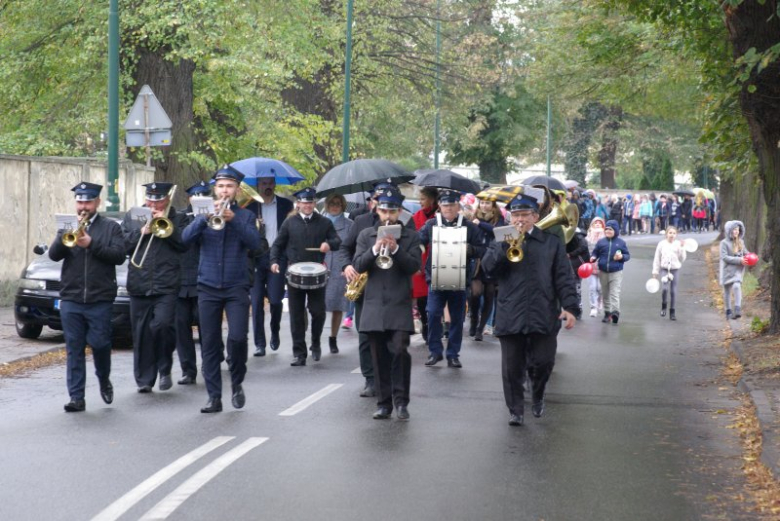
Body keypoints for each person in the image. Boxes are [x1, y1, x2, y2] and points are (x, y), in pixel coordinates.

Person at [481, 189, 578, 426]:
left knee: (544, 362)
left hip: (542, 312)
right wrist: (505, 247)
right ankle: (515, 410)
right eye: (515, 216)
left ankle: (537, 394)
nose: (520, 220)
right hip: (510, 312)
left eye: (524, 215)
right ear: (510, 218)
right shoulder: (500, 240)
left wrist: (570, 307)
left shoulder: (551, 243)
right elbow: (488, 270)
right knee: (511, 367)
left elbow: (563, 277)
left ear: (535, 217)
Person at [182, 166, 262, 413]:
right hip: (207, 286)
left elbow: (255, 244)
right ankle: (214, 397)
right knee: (209, 343)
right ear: (214, 189)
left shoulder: (246, 216)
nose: (225, 190)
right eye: (221, 186)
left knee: (237, 338)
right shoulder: (204, 212)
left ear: (237, 190)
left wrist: (233, 220)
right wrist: (205, 219)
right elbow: (184, 239)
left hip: (236, 285)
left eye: (229, 186)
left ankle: (237, 381)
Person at [49, 182, 125, 412]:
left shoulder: (111, 228)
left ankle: (103, 378)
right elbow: (53, 255)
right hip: (71, 297)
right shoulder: (68, 226)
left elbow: (118, 256)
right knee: (74, 348)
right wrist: (63, 236)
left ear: (97, 203)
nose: (83, 206)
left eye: (88, 202)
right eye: (80, 201)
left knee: (101, 344)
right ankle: (76, 397)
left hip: (99, 298)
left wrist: (91, 244)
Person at [341, 181, 415, 395]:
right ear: (374, 203)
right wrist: (346, 266)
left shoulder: (406, 223)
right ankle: (371, 379)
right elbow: (346, 247)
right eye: (377, 201)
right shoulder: (361, 222)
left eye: (390, 208)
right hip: (365, 283)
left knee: (393, 342)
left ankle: (392, 381)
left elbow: (412, 258)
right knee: (366, 335)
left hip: (393, 286)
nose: (385, 211)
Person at [353, 186, 421, 420]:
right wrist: (375, 249)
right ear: (377, 210)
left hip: (399, 303)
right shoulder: (365, 236)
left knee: (400, 351)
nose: (388, 216)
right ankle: (384, 404)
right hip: (373, 305)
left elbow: (414, 267)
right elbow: (359, 265)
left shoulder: (411, 236)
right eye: (384, 211)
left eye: (392, 211)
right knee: (378, 356)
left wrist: (397, 249)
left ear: (400, 212)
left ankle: (401, 402)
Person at [122, 182, 188, 393]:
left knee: (163, 326)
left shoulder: (179, 217)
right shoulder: (134, 216)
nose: (153, 204)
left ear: (167, 199)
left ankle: (164, 366)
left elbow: (184, 244)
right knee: (141, 333)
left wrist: (169, 228)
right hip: (139, 283)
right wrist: (141, 232)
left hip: (166, 284)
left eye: (158, 200)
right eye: (150, 199)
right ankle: (144, 380)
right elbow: (122, 245)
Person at [271, 186, 341, 366]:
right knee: (296, 314)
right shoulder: (289, 223)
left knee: (318, 312)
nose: (307, 205)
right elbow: (278, 245)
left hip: (317, 273)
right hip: (295, 273)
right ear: (298, 204)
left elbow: (337, 241)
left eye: (310, 202)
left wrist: (328, 244)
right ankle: (299, 353)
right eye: (304, 202)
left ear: (314, 203)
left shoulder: (324, 223)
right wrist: (274, 261)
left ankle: (315, 342)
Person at [418, 189, 485, 368]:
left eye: (452, 205)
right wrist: (418, 252)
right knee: (432, 314)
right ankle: (435, 352)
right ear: (439, 205)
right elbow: (419, 242)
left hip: (460, 278)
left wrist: (469, 249)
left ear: (458, 206)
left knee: (456, 318)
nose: (448, 208)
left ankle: (453, 354)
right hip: (436, 277)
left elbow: (482, 249)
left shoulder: (470, 226)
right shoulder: (432, 224)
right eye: (445, 205)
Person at [243, 176, 294, 357]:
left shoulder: (286, 205)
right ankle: (260, 343)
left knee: (275, 299)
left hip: (277, 256)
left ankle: (275, 330)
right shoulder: (249, 207)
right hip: (256, 257)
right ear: (258, 185)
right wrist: (256, 227)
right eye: (264, 184)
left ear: (275, 184)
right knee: (256, 302)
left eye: (270, 183)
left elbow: (291, 232)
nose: (267, 187)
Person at [174, 180, 210, 385]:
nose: (199, 200)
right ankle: (188, 370)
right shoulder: (180, 217)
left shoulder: (213, 217)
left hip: (202, 281)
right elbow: (182, 239)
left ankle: (208, 363)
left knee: (206, 327)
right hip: (180, 281)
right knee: (182, 329)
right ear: (189, 199)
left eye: (203, 196)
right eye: (196, 197)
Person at [322, 193, 353, 354]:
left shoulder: (349, 225)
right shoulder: (319, 222)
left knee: (337, 305)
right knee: (317, 306)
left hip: (340, 269)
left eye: (338, 204)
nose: (334, 206)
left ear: (343, 206)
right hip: (320, 267)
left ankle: (333, 338)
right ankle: (315, 337)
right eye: (332, 203)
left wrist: (348, 266)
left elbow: (352, 248)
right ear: (327, 205)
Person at [469, 199, 504, 340]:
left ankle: (480, 329)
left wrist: (481, 224)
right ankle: (473, 320)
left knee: (490, 295)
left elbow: (499, 233)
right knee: (475, 293)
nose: (484, 206)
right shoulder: (473, 218)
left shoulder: (498, 219)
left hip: (492, 260)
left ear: (493, 206)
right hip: (477, 261)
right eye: (482, 203)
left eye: (488, 203)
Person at [589, 220, 631, 324]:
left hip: (616, 272)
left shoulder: (621, 243)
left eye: (610, 229)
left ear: (616, 231)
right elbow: (595, 252)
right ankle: (607, 313)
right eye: (606, 229)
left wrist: (621, 257)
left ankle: (615, 312)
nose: (608, 231)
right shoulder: (601, 242)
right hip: (603, 271)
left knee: (615, 293)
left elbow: (627, 256)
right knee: (605, 293)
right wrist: (593, 257)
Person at [412, 186, 438, 342]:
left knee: (435, 298)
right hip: (421, 262)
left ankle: (435, 325)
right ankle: (425, 323)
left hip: (437, 260)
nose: (420, 202)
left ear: (432, 199)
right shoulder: (416, 217)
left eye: (423, 199)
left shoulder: (441, 216)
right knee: (421, 298)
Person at [651, 226, 687, 321]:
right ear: (666, 234)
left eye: (674, 233)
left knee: (673, 291)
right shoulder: (661, 244)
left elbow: (682, 259)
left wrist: (683, 248)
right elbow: (657, 258)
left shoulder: (678, 245)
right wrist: (655, 272)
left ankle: (672, 311)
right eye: (670, 233)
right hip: (664, 269)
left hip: (675, 270)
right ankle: (664, 305)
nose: (672, 235)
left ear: (676, 235)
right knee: (664, 289)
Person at [720, 220, 748, 319]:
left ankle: (737, 308)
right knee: (727, 291)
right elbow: (725, 257)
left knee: (736, 286)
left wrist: (750, 257)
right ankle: (728, 310)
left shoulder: (740, 242)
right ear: (729, 231)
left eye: (737, 229)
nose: (736, 231)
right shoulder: (724, 243)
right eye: (734, 230)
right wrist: (739, 260)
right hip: (727, 271)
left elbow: (745, 253)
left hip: (737, 271)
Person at [566, 227, 590, 320]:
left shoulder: (578, 235)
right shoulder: (566, 234)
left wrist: (571, 254)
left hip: (578, 266)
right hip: (570, 265)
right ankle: (570, 311)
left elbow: (583, 247)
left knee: (576, 288)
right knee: (568, 288)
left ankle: (578, 310)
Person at [585, 217, 606, 317]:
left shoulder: (607, 238)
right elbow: (583, 250)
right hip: (590, 266)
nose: (597, 224)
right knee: (592, 287)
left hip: (602, 267)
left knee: (600, 288)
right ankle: (593, 307)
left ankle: (600, 301)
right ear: (592, 225)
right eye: (595, 223)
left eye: (600, 223)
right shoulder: (587, 238)